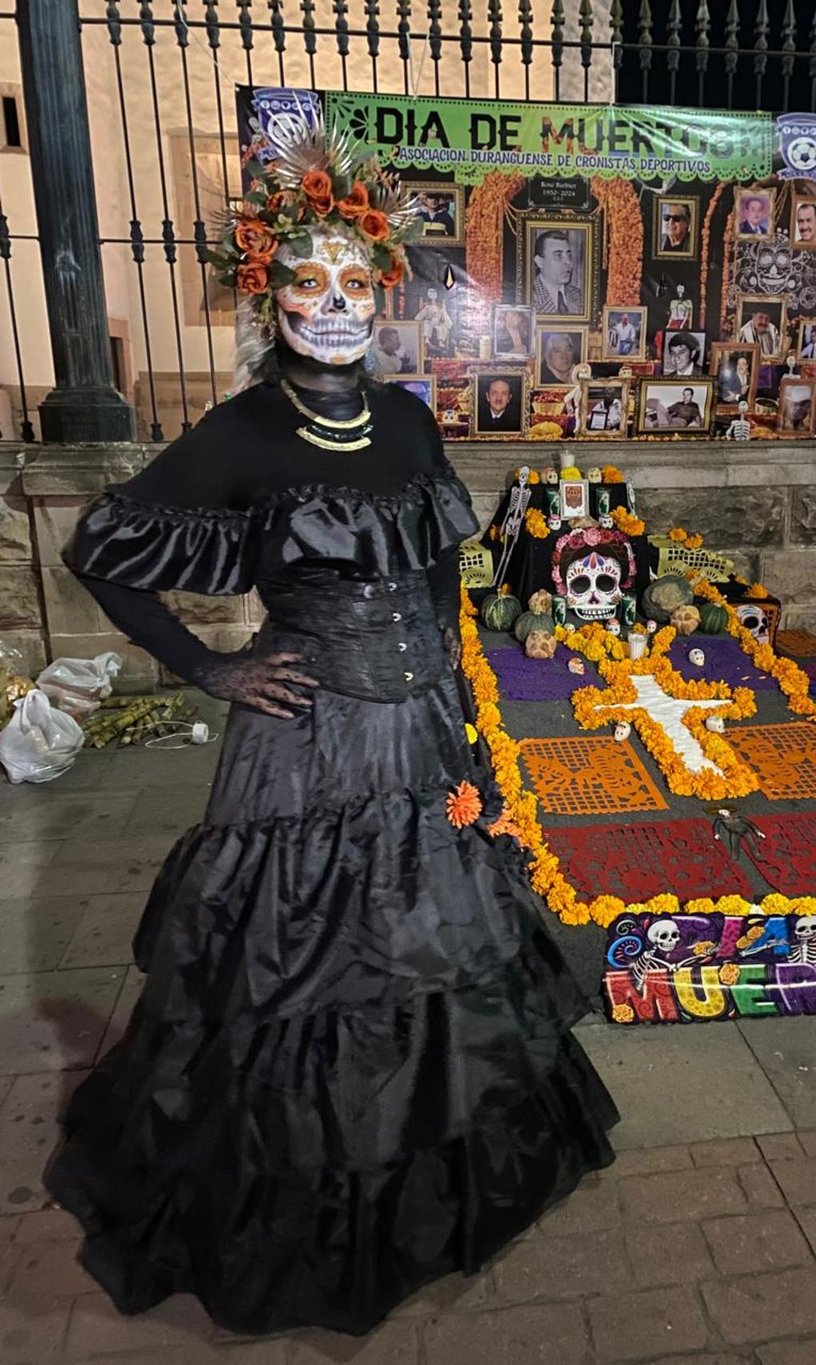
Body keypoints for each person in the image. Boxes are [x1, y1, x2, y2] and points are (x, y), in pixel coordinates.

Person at [43, 117, 616, 1339]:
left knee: (440, 958)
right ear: (269, 290)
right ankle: (297, 1209)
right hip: (306, 741)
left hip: (422, 736)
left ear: (385, 292)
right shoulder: (243, 432)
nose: (338, 303)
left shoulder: (408, 420)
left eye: (359, 280)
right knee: (298, 976)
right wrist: (207, 667)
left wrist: (465, 700)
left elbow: (435, 578)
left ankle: (436, 1185)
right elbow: (103, 552)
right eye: (308, 280)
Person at [532, 229, 584, 315]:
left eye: (569, 255)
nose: (568, 262)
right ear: (540, 262)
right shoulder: (528, 296)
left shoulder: (578, 295)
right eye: (558, 255)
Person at [414, 286, 453, 356]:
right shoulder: (427, 307)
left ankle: (440, 341)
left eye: (434, 292)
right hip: (429, 323)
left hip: (438, 324)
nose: (432, 295)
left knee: (443, 327)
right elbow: (418, 317)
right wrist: (422, 321)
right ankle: (427, 339)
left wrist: (447, 324)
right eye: (430, 293)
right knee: (426, 324)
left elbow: (446, 318)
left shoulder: (441, 308)